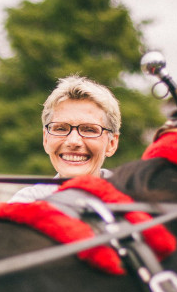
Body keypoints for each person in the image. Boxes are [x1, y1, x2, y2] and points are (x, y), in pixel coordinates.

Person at [9, 75, 120, 203]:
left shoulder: (135, 199)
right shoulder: (25, 203)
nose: (73, 141)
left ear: (111, 143)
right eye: (61, 129)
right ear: (45, 139)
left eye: (89, 130)